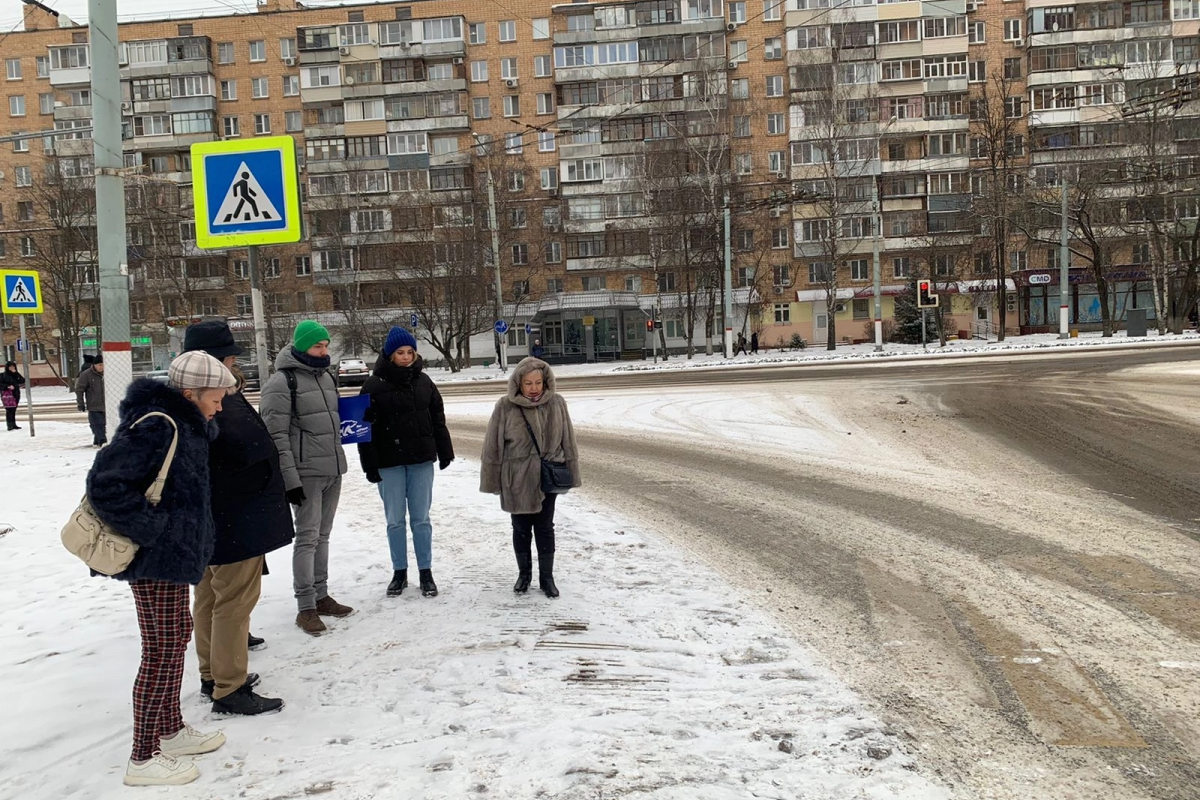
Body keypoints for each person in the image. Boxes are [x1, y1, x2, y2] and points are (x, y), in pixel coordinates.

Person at [85, 350, 237, 786]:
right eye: (215, 397)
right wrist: (156, 531)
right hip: (156, 559)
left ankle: (169, 731)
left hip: (173, 555)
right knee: (162, 652)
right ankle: (144, 755)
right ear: (190, 393)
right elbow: (105, 485)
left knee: (173, 641)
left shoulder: (183, 422)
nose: (220, 405)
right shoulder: (156, 424)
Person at [184, 321, 292, 716]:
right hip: (235, 518)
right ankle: (229, 687)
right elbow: (241, 450)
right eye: (228, 356)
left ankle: (214, 674)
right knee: (232, 601)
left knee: (211, 597)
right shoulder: (213, 401)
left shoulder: (209, 395)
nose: (234, 361)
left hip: (223, 518)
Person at [260, 320, 351, 636]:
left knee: (323, 536)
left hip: (332, 469)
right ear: (300, 346)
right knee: (307, 537)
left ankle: (321, 595)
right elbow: (276, 435)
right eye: (317, 346)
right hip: (306, 474)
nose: (323, 351)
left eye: (326, 345)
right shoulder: (282, 382)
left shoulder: (326, 377)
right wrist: (290, 480)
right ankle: (305, 607)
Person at [358, 327, 454, 598]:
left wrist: (444, 451)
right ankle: (399, 572)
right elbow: (363, 431)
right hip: (389, 463)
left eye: (410, 352)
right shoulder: (373, 385)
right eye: (400, 352)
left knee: (421, 519)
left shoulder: (424, 382)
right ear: (390, 354)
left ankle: (426, 571)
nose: (406, 357)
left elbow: (437, 419)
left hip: (421, 460)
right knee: (395, 521)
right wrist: (369, 464)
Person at [480, 357, 581, 598]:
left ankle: (547, 577)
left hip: (547, 476)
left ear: (546, 382)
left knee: (545, 527)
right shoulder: (505, 406)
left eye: (538, 382)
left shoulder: (557, 403)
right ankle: (524, 574)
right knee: (521, 527)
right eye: (528, 383)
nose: (534, 388)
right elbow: (492, 446)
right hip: (517, 478)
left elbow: (569, 438)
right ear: (519, 384)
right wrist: (492, 480)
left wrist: (572, 470)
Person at [75, 355, 107, 446]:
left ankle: (97, 442)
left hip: (107, 405)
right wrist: (80, 403)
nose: (102, 367)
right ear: (95, 365)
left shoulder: (107, 374)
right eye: (100, 365)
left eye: (103, 365)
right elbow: (79, 389)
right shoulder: (86, 375)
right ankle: (102, 441)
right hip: (94, 405)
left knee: (102, 424)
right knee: (98, 424)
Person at [1, 360, 25, 430]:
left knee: (14, 409)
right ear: (7, 367)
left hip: (15, 393)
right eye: (10, 366)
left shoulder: (15, 375)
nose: (12, 368)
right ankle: (9, 425)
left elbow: (22, 380)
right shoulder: (3, 375)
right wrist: (7, 386)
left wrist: (15, 373)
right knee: (9, 410)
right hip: (7, 395)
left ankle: (14, 424)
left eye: (13, 366)